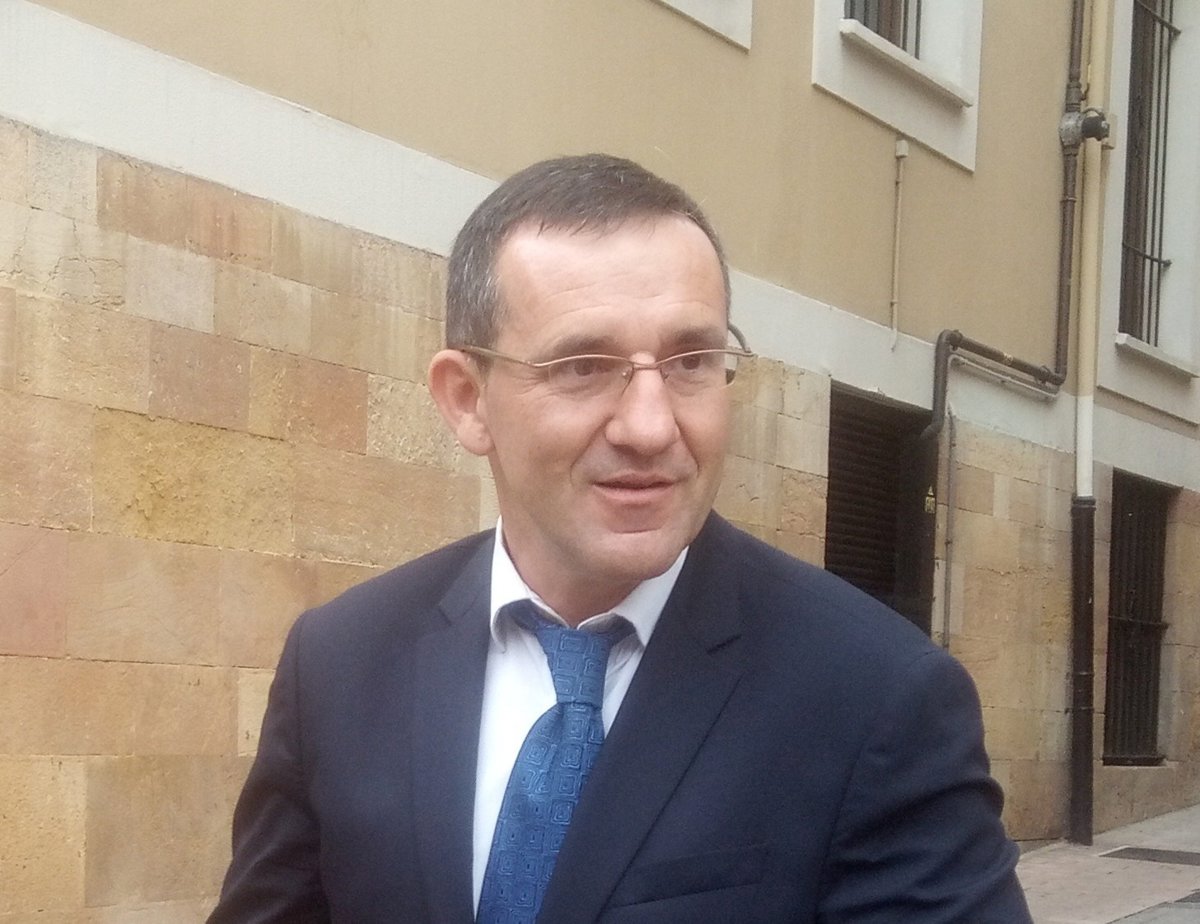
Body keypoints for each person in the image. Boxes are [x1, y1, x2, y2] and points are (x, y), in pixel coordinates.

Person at [209, 154, 1031, 923]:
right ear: (466, 399)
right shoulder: (340, 662)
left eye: (691, 361)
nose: (650, 426)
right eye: (583, 366)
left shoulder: (877, 697)